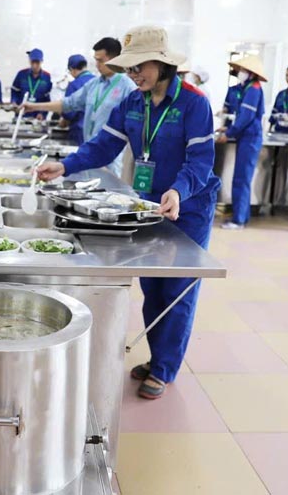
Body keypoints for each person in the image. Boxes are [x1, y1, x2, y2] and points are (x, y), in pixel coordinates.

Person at [35, 25, 219, 400]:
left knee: (177, 289)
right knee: (152, 285)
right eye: (129, 67)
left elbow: (200, 161)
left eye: (141, 66)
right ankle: (157, 357)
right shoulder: (133, 103)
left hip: (190, 205)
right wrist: (65, 166)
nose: (134, 74)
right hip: (148, 203)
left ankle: (165, 368)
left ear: (163, 64)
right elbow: (104, 146)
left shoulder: (194, 103)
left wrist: (178, 190)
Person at [21, 37, 136, 176]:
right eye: (96, 60)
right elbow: (68, 104)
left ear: (115, 58)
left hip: (110, 161)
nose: (97, 64)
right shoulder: (94, 84)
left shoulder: (128, 88)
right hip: (87, 154)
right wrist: (34, 107)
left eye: (101, 60)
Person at [217, 55, 267, 230]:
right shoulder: (245, 88)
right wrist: (227, 127)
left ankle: (238, 220)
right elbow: (238, 114)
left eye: (243, 70)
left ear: (251, 73)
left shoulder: (254, 88)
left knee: (241, 179)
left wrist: (229, 132)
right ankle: (241, 217)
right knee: (241, 178)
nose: (239, 73)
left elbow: (246, 117)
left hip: (250, 138)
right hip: (244, 137)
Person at [61, 54, 95, 143]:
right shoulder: (98, 82)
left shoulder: (74, 85)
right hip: (95, 131)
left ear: (72, 69)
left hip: (79, 132)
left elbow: (68, 113)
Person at [11, 48, 52, 119]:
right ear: (29, 60)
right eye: (32, 62)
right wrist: (14, 103)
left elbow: (47, 99)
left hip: (38, 118)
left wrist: (42, 114)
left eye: (37, 62)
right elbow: (14, 91)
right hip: (21, 115)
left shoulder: (47, 77)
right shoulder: (21, 74)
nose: (34, 65)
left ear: (42, 61)